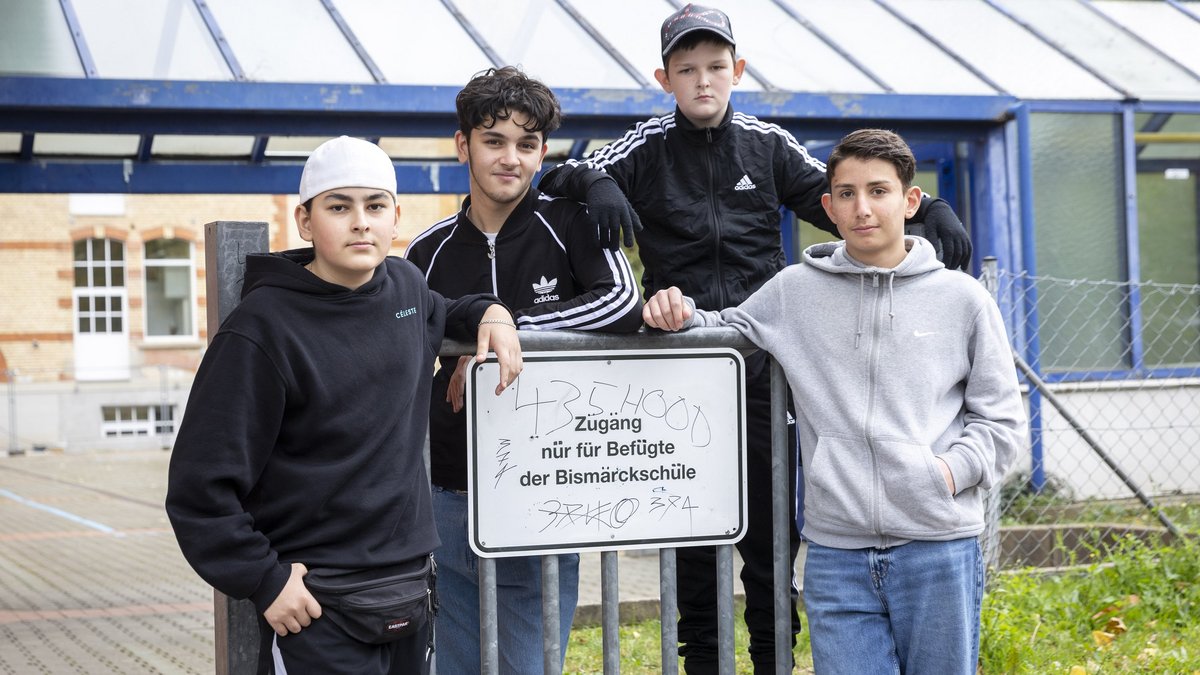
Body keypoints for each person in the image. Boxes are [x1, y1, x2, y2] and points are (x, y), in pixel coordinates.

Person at [538, 4, 971, 671]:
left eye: (716, 66)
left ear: (737, 70)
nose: (703, 80)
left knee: (772, 543)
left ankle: (774, 662)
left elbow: (843, 198)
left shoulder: (767, 144)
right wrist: (592, 179)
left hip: (764, 372)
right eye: (687, 69)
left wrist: (925, 208)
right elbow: (556, 176)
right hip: (679, 372)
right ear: (665, 77)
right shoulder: (645, 146)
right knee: (695, 539)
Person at [643, 128, 1026, 674]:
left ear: (910, 201)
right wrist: (670, 308)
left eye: (879, 191)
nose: (862, 208)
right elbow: (716, 329)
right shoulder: (793, 290)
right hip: (834, 554)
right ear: (827, 206)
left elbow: (1003, 423)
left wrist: (943, 475)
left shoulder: (963, 299)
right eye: (846, 194)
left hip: (937, 547)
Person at [165, 135, 523, 675]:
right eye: (340, 206)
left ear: (396, 217)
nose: (361, 222)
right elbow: (199, 489)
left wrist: (493, 313)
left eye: (375, 206)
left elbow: (449, 310)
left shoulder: (404, 288)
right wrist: (264, 581)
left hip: (409, 595)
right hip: (316, 607)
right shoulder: (261, 329)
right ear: (305, 222)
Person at [405, 66, 643, 673]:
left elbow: (620, 302)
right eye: (493, 141)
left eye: (527, 143)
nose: (510, 158)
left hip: (542, 493)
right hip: (447, 490)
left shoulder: (570, 223)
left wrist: (503, 329)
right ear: (463, 146)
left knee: (525, 665)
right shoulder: (425, 252)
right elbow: (409, 339)